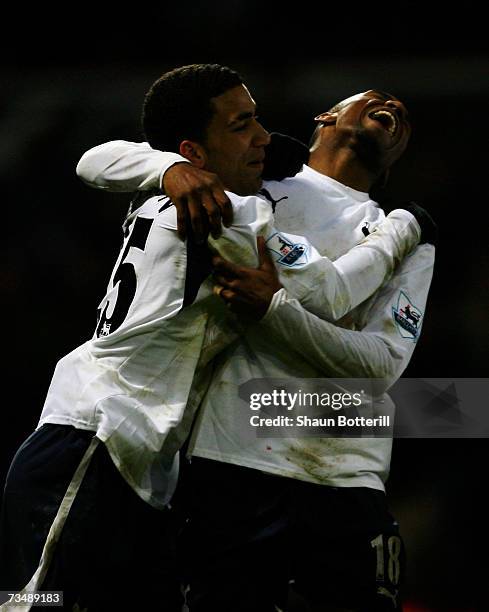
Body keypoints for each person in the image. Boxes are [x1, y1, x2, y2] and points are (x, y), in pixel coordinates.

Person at [0, 65, 422, 612]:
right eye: (242, 125)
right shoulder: (232, 210)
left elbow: (94, 159)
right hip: (105, 433)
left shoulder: (174, 188)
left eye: (258, 122)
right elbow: (331, 291)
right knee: (33, 603)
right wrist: (406, 229)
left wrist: (168, 166)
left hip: (153, 458)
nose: (263, 138)